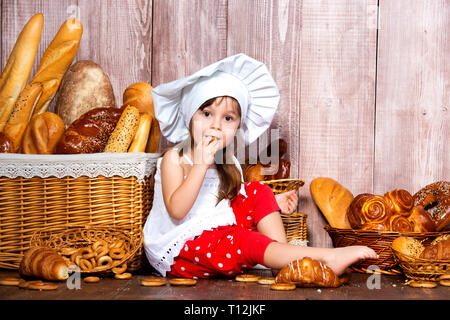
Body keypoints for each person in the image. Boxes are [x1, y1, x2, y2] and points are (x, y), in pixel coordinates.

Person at [143, 54, 378, 279]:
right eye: (207, 113)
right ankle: (327, 257)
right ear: (189, 116)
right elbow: (177, 211)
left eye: (228, 118)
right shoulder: (175, 159)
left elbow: (231, 204)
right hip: (183, 250)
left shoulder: (228, 162)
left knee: (258, 191)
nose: (216, 125)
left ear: (237, 126)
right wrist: (200, 165)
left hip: (218, 235)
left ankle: (284, 265)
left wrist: (270, 204)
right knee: (246, 240)